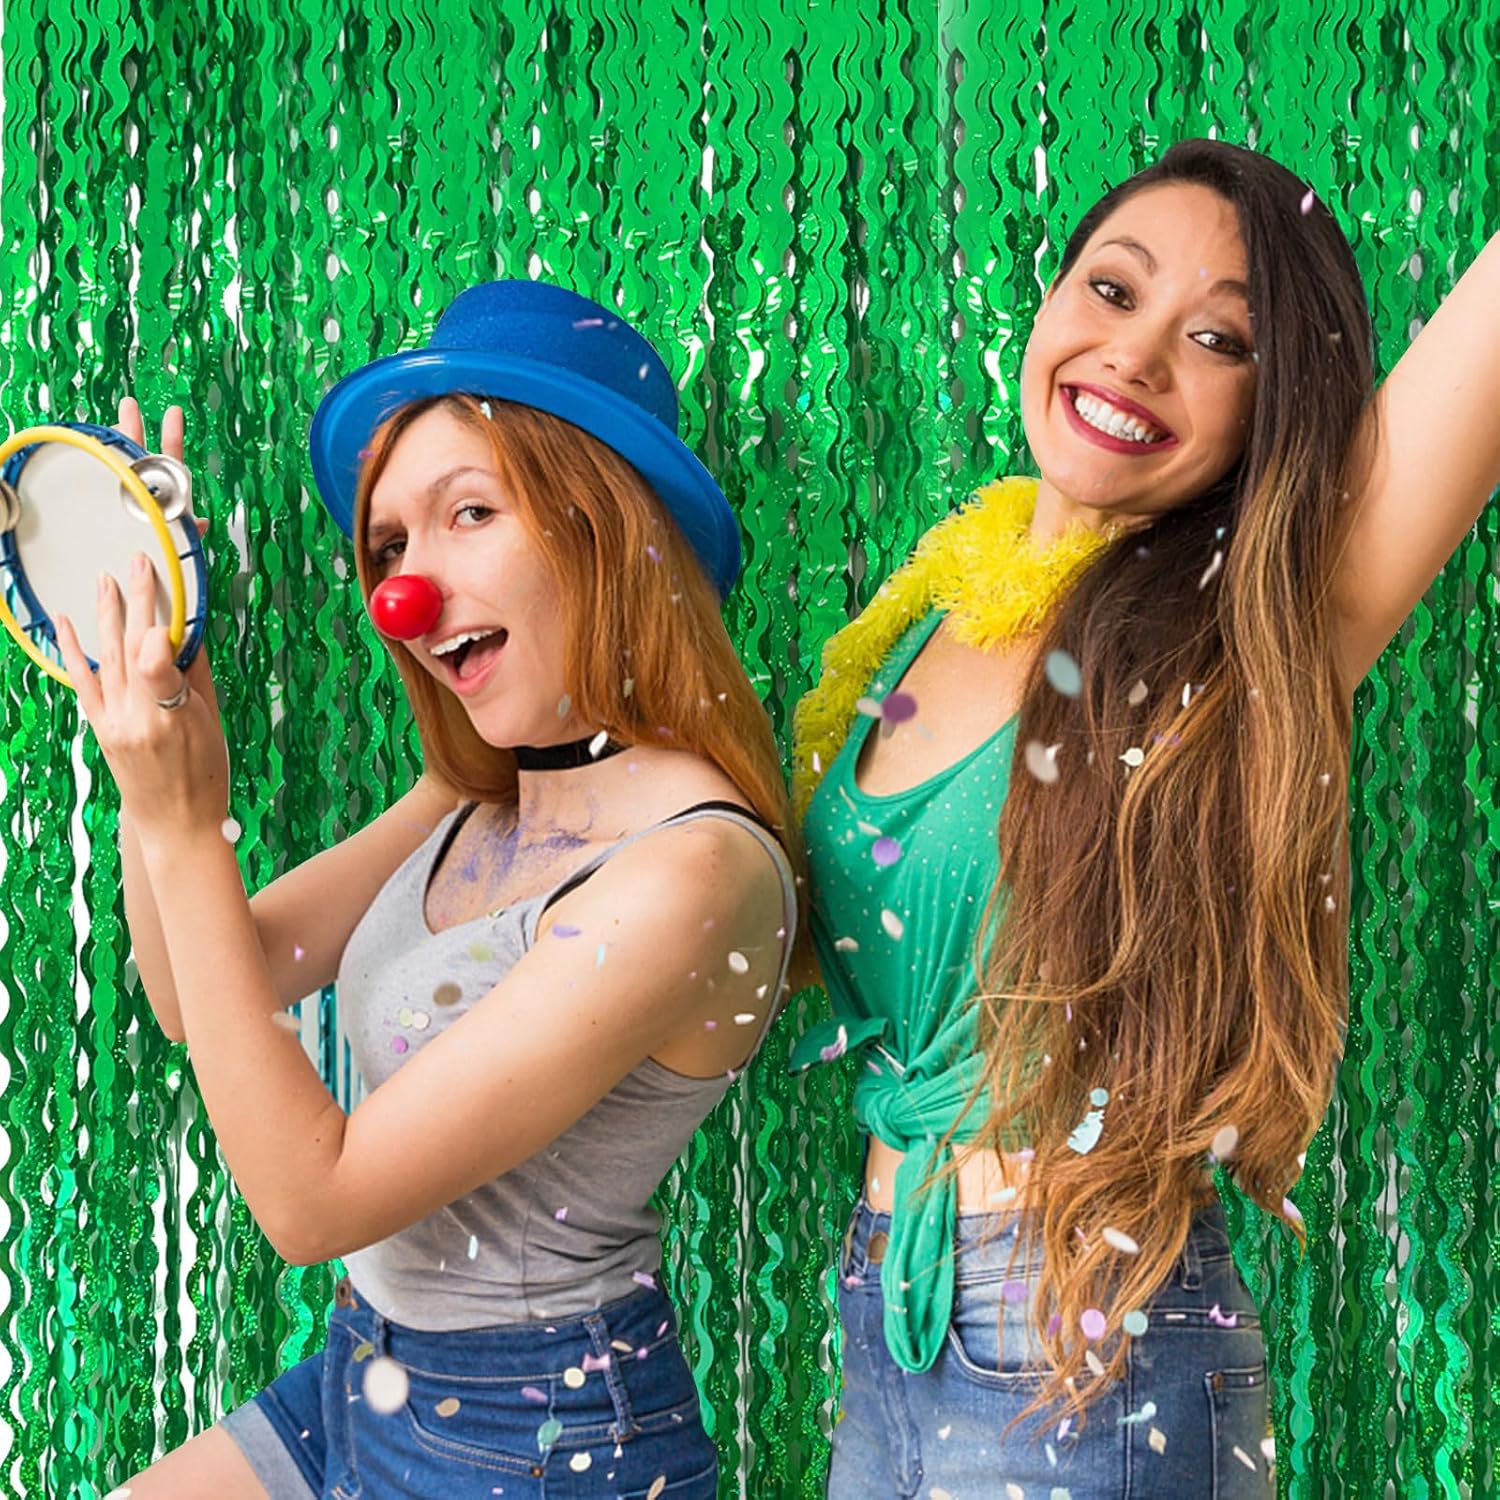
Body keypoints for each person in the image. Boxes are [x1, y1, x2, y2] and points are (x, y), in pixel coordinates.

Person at [790, 138, 1500, 1497]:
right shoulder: (931, 611)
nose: (1136, 355)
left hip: (1084, 1327)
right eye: (1113, 291)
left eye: (1219, 340)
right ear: (1052, 300)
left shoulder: (1243, 632)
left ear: (1271, 408)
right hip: (884, 1306)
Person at [59, 281, 800, 1499]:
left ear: (608, 527)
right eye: (391, 546)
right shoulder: (472, 800)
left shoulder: (694, 870)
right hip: (367, 1367)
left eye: (469, 513)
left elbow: (313, 1203)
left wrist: (188, 827)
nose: (406, 590)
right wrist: (164, 703)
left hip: (541, 1431)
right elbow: (195, 992)